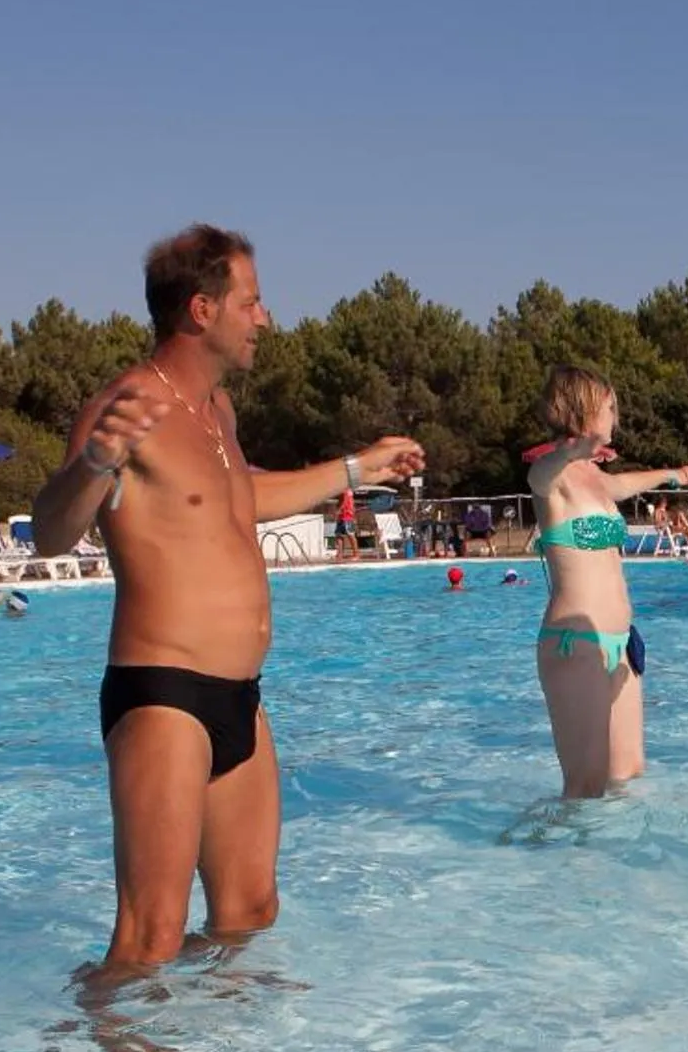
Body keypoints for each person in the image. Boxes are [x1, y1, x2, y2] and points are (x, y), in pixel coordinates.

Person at [29, 223, 422, 971]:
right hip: (164, 696)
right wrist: (92, 465)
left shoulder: (217, 414)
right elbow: (51, 531)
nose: (266, 320)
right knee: (149, 940)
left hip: (240, 694)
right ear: (203, 310)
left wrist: (355, 468)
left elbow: (241, 498)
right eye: (254, 302)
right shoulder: (127, 403)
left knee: (248, 914)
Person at [527, 367, 688, 797]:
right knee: (585, 786)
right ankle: (546, 860)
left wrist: (674, 475)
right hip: (575, 642)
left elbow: (623, 484)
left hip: (619, 641)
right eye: (610, 407)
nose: (616, 416)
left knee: (626, 775)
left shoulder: (594, 476)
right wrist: (568, 452)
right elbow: (540, 476)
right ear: (585, 409)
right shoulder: (551, 476)